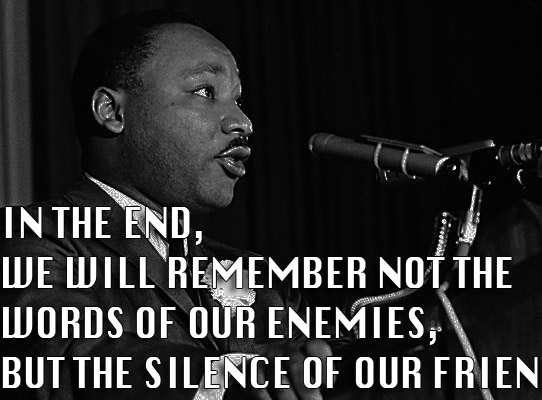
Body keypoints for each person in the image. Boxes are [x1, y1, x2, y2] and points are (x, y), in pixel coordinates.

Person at [0, 10, 340, 400]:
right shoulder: (31, 239)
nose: (243, 122)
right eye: (205, 91)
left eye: (238, 100)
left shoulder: (259, 281)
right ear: (112, 111)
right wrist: (229, 376)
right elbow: (68, 361)